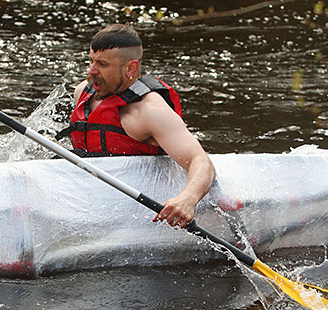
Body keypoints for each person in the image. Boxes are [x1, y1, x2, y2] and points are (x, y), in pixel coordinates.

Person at [58, 24, 215, 229]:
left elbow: (201, 161)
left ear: (131, 68)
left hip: (133, 200)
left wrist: (187, 199)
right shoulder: (83, 93)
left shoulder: (149, 111)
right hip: (91, 193)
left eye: (102, 64)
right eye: (91, 61)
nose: (91, 71)